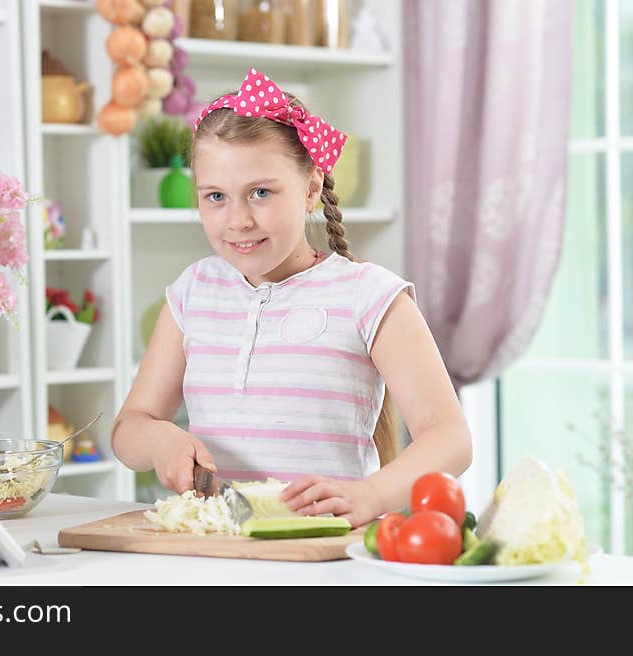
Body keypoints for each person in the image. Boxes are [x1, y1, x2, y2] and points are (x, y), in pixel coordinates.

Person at [111, 68, 472, 527]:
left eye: (261, 192)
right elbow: (128, 430)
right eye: (216, 196)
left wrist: (371, 494)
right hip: (216, 553)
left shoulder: (369, 295)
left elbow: (451, 438)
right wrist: (161, 440)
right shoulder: (192, 293)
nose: (238, 219)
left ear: (311, 188)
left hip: (328, 557)